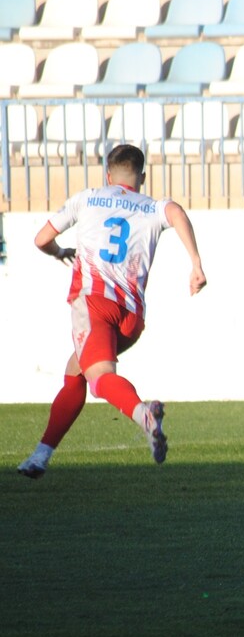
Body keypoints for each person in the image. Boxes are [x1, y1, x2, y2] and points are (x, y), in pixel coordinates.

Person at [17, 144, 207, 479]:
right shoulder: (151, 207)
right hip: (131, 318)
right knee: (76, 371)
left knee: (99, 378)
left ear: (108, 174)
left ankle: (143, 414)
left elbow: (41, 239)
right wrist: (195, 263)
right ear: (142, 177)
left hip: (94, 305)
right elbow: (176, 211)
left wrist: (59, 251)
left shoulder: (87, 198)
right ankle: (40, 455)